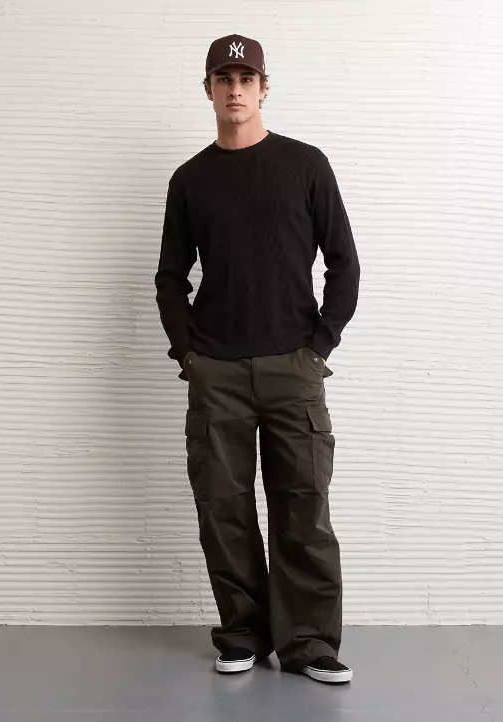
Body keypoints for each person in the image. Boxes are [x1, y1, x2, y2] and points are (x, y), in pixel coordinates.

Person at [155, 33, 360, 684]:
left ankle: (309, 644)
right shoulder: (190, 179)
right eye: (224, 79)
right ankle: (242, 634)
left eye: (246, 79)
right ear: (208, 90)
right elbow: (169, 276)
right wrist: (189, 354)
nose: (235, 89)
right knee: (224, 506)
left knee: (303, 506)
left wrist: (320, 345)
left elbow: (344, 263)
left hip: (293, 366)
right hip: (216, 370)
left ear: (264, 88)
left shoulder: (305, 165)